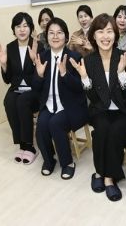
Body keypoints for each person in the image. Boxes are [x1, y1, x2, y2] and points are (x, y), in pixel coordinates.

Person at [71, 14, 126, 201]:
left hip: (125, 110)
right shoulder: (89, 61)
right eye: (100, 31)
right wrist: (84, 78)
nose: (105, 36)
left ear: (115, 35)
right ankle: (100, 173)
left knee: (115, 131)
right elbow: (94, 99)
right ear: (93, 36)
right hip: (100, 110)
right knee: (102, 129)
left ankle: (107, 177)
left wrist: (121, 74)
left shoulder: (124, 57)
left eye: (109, 31)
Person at [32, 17, 88, 179]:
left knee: (55, 123)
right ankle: (49, 160)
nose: (55, 36)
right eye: (51, 33)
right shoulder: (42, 57)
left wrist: (65, 74)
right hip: (49, 104)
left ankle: (67, 163)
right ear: (47, 36)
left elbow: (81, 88)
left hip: (72, 107)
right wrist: (39, 75)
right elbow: (35, 88)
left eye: (59, 33)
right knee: (41, 125)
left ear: (66, 36)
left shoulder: (74, 57)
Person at [0, 12, 41, 164]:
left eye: (25, 26)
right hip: (16, 88)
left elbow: (42, 76)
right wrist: (3, 64)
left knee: (22, 102)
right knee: (9, 101)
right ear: (13, 30)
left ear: (31, 28)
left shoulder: (37, 45)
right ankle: (22, 144)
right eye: (18, 26)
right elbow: (7, 79)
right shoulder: (10, 47)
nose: (22, 29)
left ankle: (29, 147)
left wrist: (34, 61)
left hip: (34, 90)